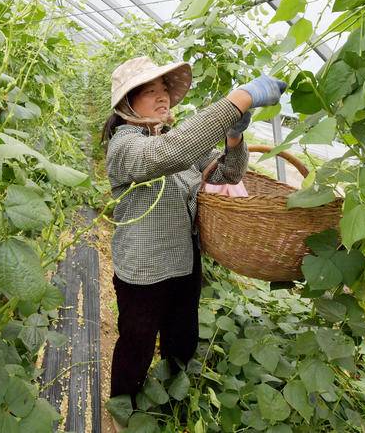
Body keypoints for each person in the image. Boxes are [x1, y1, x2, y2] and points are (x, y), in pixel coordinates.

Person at [102, 56, 286, 427]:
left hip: (184, 262)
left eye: (164, 90)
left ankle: (176, 399)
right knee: (137, 342)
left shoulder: (173, 140)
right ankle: (124, 407)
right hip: (143, 268)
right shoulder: (124, 147)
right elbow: (166, 156)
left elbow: (228, 173)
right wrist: (238, 99)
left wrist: (234, 137)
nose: (162, 97)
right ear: (127, 103)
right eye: (150, 91)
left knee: (181, 338)